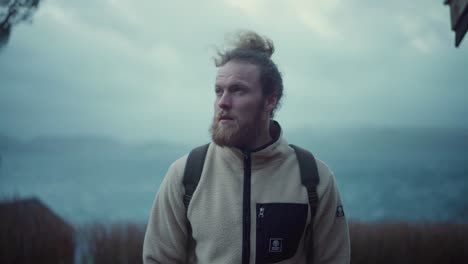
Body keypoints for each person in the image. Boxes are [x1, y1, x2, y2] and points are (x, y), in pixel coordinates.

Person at [143, 30, 350, 264]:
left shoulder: (314, 178)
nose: (223, 102)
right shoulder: (186, 175)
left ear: (270, 99)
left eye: (237, 90)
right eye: (218, 90)